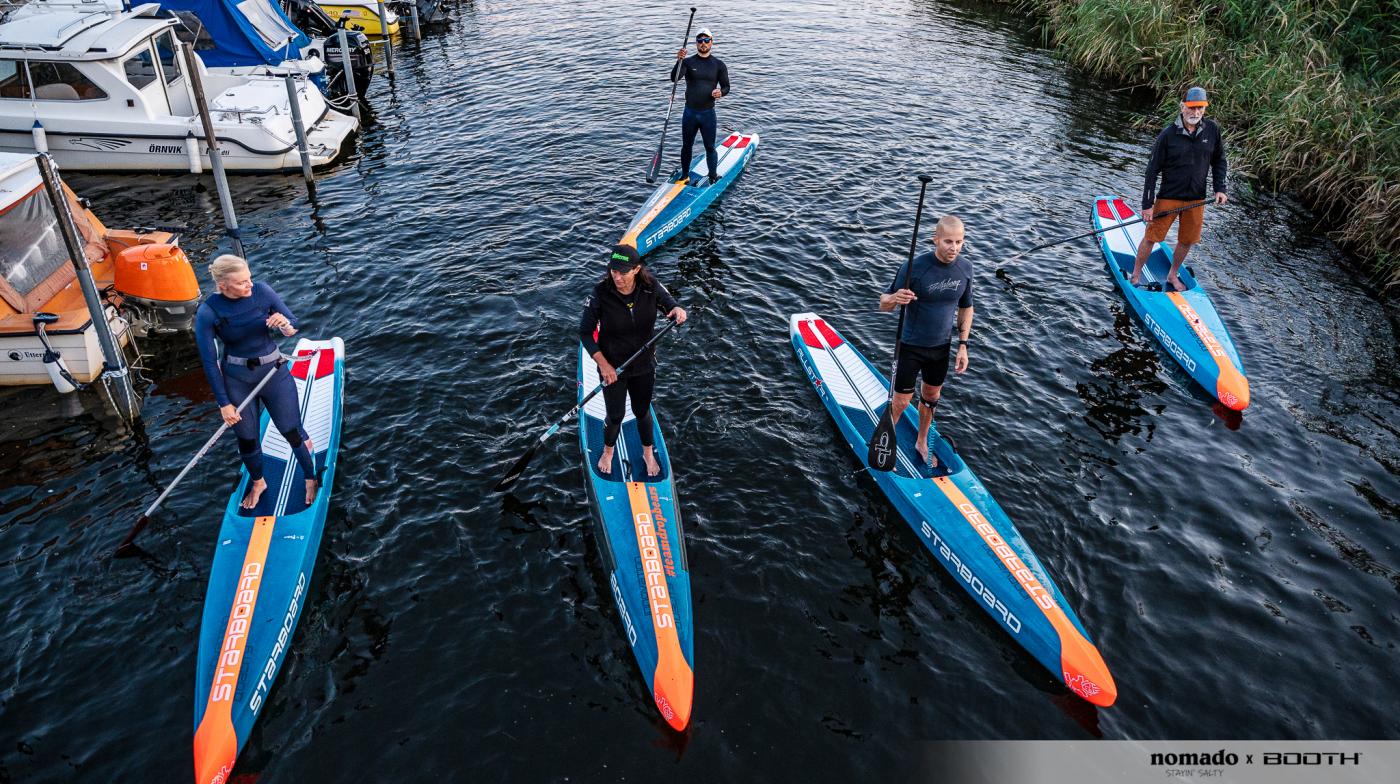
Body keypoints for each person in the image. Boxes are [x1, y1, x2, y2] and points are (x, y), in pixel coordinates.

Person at [195, 255, 318, 508]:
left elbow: (293, 325)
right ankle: (258, 482)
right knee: (247, 439)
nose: (250, 285)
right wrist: (224, 403)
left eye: (249, 278)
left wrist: (284, 325)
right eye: (241, 283)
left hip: (273, 373)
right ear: (223, 285)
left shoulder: (262, 292)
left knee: (291, 431)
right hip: (237, 380)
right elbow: (209, 362)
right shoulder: (209, 311)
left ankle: (310, 477)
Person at [580, 244, 687, 477]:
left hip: (643, 364)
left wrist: (677, 310)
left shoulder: (650, 288)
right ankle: (608, 452)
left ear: (637, 269)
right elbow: (585, 333)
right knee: (616, 415)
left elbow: (670, 303)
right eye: (613, 271)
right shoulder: (600, 293)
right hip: (613, 368)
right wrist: (603, 365)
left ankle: (647, 453)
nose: (616, 276)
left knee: (641, 410)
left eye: (623, 272)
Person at [878, 216, 974, 467]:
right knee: (900, 401)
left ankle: (922, 441)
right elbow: (883, 304)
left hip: (941, 348)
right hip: (910, 346)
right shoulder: (914, 267)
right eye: (948, 241)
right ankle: (885, 441)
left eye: (959, 242)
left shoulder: (965, 268)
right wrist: (896, 298)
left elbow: (967, 307)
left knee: (931, 399)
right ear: (936, 239)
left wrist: (963, 345)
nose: (954, 247)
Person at [1131, 85, 1229, 292]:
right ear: (1182, 107)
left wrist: (1220, 188)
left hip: (1196, 199)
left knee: (1187, 240)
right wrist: (1147, 205)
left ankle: (1172, 275)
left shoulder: (1212, 130)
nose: (1196, 113)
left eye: (1200, 108)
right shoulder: (1168, 135)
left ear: (1204, 108)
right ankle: (1136, 275)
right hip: (1169, 197)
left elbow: (1219, 160)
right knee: (1152, 237)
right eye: (1192, 108)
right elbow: (1152, 171)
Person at [670, 27, 730, 185]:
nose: (703, 43)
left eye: (706, 40)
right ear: (696, 43)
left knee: (710, 147)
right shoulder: (688, 62)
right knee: (686, 146)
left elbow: (726, 87)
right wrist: (679, 61)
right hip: (689, 113)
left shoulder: (719, 65)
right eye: (700, 41)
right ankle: (684, 176)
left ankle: (712, 176)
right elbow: (674, 79)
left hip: (707, 114)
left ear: (711, 42)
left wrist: (721, 93)